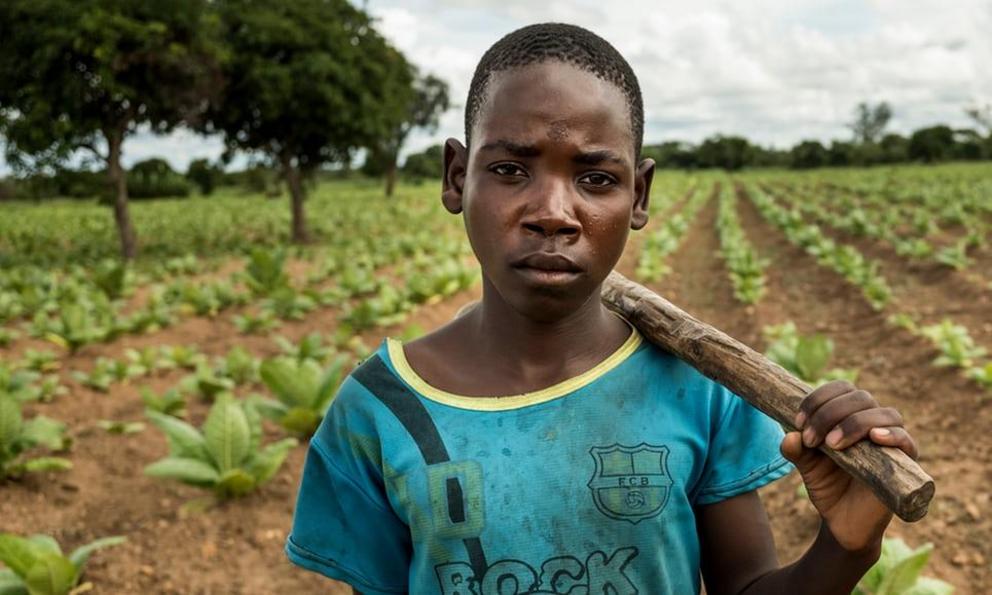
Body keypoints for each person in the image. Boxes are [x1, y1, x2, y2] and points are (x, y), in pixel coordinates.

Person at [285, 23, 918, 595]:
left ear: (638, 195)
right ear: (456, 177)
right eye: (509, 169)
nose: (553, 213)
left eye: (595, 179)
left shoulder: (698, 389)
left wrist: (846, 547)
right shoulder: (380, 408)